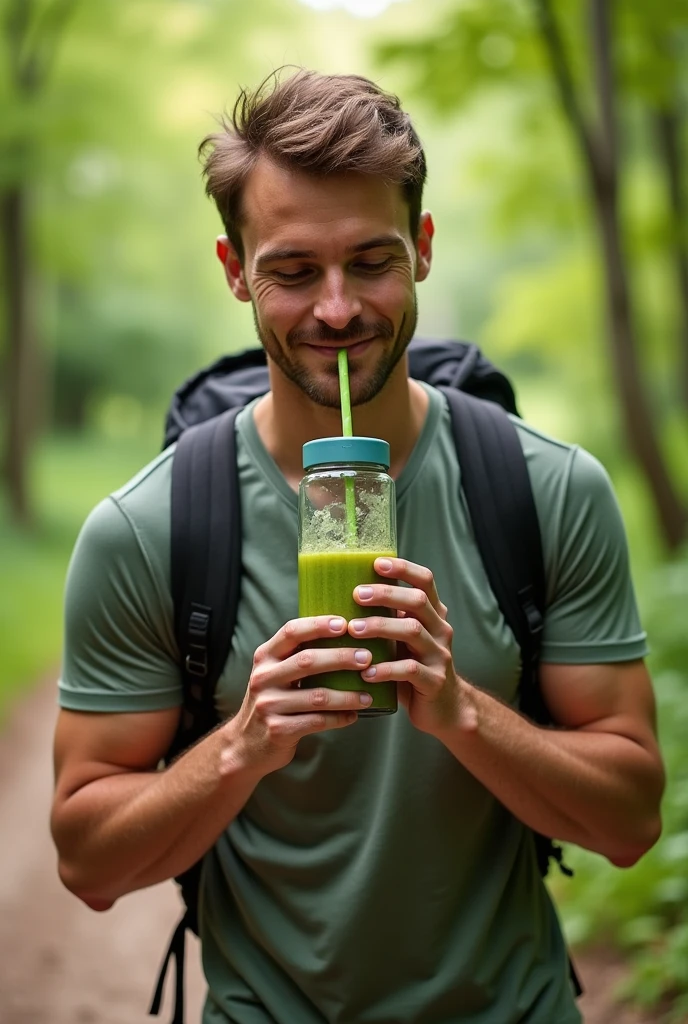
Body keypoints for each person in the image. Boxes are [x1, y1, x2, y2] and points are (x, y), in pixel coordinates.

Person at [51, 68, 665, 1024]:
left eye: (370, 261)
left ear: (422, 249)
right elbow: (88, 863)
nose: (336, 310)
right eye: (293, 272)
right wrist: (244, 746)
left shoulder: (546, 492)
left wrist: (464, 712)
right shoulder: (149, 530)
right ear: (233, 269)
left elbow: (629, 822)